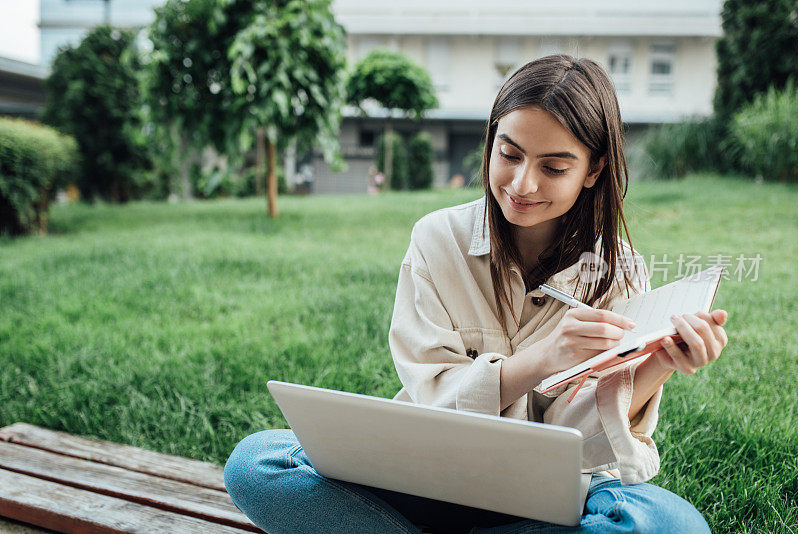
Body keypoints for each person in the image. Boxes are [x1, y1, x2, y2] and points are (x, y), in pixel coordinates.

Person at [223, 55, 729, 533]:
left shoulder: (618, 271)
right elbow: (432, 400)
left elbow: (584, 448)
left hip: (549, 498)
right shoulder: (437, 240)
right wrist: (542, 359)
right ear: (490, 142)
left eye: (554, 168)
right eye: (508, 153)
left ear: (593, 171)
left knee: (670, 524)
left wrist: (658, 361)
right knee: (259, 463)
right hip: (428, 475)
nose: (522, 183)